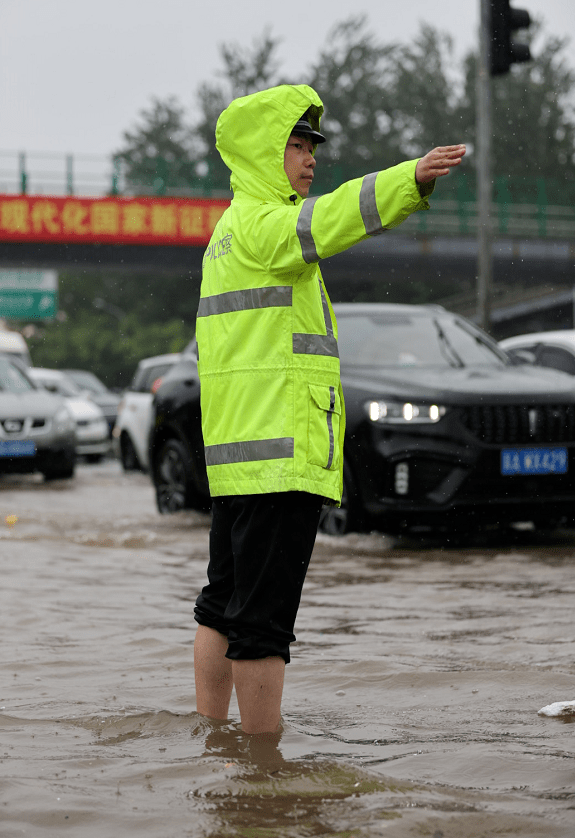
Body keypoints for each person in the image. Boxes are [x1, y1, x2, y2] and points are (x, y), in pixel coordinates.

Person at [193, 84, 465, 734]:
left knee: (221, 604)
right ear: (263, 152)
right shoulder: (264, 228)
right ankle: (262, 774)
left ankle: (211, 740)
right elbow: (332, 218)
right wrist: (409, 178)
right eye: (293, 144)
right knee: (262, 622)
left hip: (240, 456)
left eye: (312, 145)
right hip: (279, 453)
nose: (308, 157)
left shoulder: (227, 233)